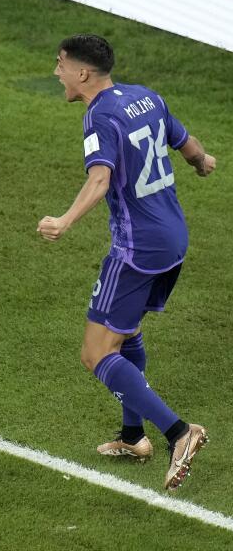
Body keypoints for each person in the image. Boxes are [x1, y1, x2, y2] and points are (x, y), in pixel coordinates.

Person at [38, 35, 216, 490]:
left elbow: (100, 179)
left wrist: (64, 220)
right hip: (174, 237)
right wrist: (203, 162)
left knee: (96, 352)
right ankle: (133, 436)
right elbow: (187, 143)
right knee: (128, 330)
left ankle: (179, 432)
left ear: (82, 73)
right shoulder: (145, 96)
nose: (56, 71)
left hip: (137, 249)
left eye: (60, 65)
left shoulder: (100, 116)